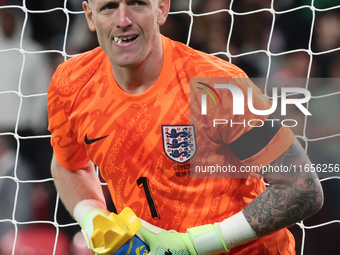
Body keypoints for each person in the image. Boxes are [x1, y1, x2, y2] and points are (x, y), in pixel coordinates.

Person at [47, 0, 324, 254]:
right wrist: (92, 216)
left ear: (162, 9)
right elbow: (68, 165)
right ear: (89, 16)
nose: (123, 19)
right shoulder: (72, 83)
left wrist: (192, 245)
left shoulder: (218, 85)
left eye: (137, 3)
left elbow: (301, 188)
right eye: (109, 7)